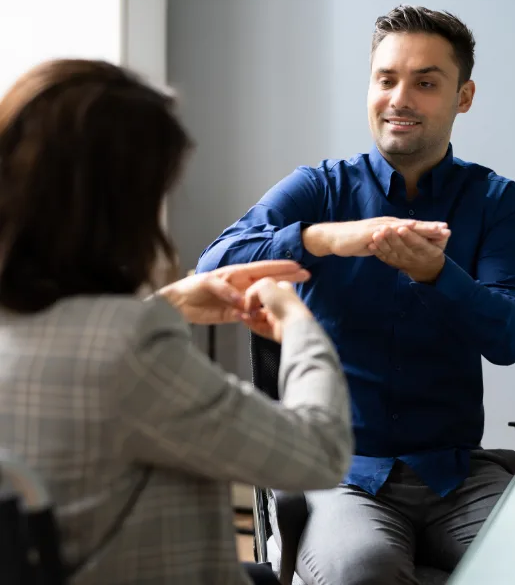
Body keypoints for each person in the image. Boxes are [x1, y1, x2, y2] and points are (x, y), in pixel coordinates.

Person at [196, 4, 515, 585]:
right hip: (341, 473)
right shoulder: (318, 188)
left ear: (464, 96)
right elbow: (215, 265)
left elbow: (511, 338)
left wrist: (439, 275)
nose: (400, 98)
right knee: (364, 573)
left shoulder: (500, 202)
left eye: (426, 82)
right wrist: (324, 237)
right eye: (386, 79)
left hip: (455, 472)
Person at [0, 58, 353, 585]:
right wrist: (299, 323)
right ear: (116, 208)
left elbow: (75, 357)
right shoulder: (129, 349)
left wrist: (170, 302)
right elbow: (319, 452)